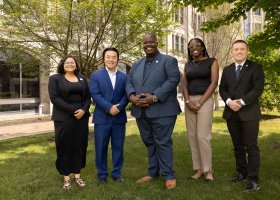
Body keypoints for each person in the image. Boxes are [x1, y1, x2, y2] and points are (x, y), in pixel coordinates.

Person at [126, 33, 181, 189]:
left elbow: (173, 80)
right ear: (142, 44)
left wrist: (155, 97)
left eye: (151, 42)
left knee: (162, 142)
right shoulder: (136, 64)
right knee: (149, 142)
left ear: (157, 43)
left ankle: (169, 175)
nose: (148, 44)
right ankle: (153, 172)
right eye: (145, 42)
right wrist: (131, 97)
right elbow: (129, 82)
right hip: (141, 111)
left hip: (162, 110)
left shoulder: (168, 61)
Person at [219, 40, 264, 192]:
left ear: (247, 51)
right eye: (236, 49)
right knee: (237, 146)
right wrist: (229, 101)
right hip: (231, 113)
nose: (239, 51)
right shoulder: (227, 69)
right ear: (232, 51)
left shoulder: (255, 67)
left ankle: (253, 179)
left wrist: (242, 102)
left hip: (249, 113)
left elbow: (258, 89)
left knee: (251, 146)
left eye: (242, 49)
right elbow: (222, 89)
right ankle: (241, 173)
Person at [48, 55, 91, 189]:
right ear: (62, 64)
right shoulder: (55, 78)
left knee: (79, 146)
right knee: (64, 146)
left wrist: (83, 110)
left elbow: (88, 97)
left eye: (72, 63)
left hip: (81, 118)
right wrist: (74, 110)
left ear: (76, 65)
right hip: (64, 118)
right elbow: (55, 98)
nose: (70, 65)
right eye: (67, 63)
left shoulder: (83, 79)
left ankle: (77, 176)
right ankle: (66, 178)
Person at [90, 47, 129, 185]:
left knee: (118, 147)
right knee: (101, 147)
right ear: (103, 59)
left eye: (113, 57)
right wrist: (109, 107)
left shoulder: (124, 77)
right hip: (102, 117)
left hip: (119, 118)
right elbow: (95, 95)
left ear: (117, 59)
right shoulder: (96, 76)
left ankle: (117, 174)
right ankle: (102, 175)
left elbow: (127, 95)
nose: (111, 59)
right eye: (108, 57)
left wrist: (118, 107)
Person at [182, 38, 219, 182]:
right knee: (192, 136)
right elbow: (184, 85)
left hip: (205, 100)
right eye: (191, 47)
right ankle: (198, 169)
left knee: (203, 136)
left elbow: (214, 82)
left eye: (197, 45)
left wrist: (201, 101)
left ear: (203, 47)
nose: (194, 48)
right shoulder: (187, 65)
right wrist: (187, 101)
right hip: (189, 101)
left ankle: (208, 170)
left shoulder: (212, 61)